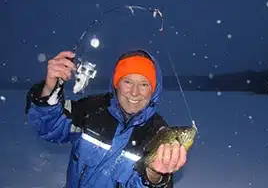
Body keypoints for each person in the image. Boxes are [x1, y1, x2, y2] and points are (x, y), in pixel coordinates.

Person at [25, 49, 188, 188]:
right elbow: (49, 128)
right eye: (128, 81)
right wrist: (49, 89)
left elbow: (159, 182)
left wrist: (154, 176)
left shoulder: (159, 134)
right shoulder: (92, 108)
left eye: (144, 84)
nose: (134, 92)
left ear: (154, 90)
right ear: (117, 83)